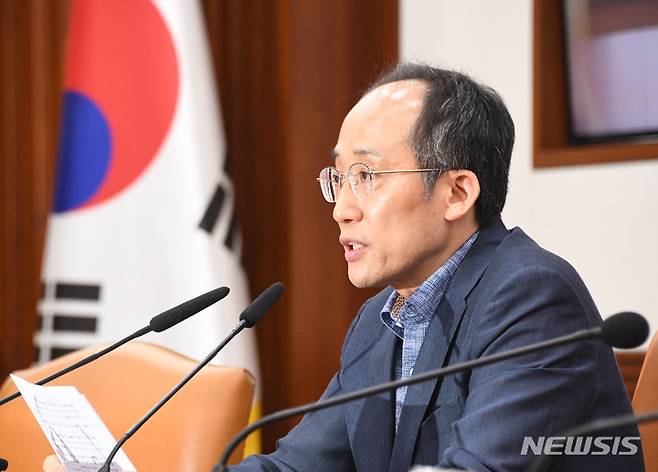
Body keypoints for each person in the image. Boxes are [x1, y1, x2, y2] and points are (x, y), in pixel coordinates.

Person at [44, 64, 643, 471]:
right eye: (338, 178)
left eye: (368, 175)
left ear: (457, 193)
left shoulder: (531, 296)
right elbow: (296, 467)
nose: (341, 208)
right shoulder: (381, 322)